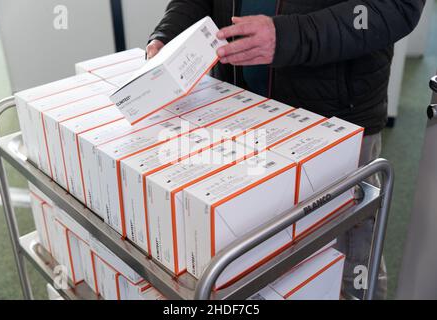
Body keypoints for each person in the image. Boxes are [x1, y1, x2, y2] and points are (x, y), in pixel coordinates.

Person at [146, 0, 425, 299]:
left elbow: (396, 8)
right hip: (242, 109)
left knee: (350, 250)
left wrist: (292, 37)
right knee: (261, 249)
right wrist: (168, 34)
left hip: (335, 119)